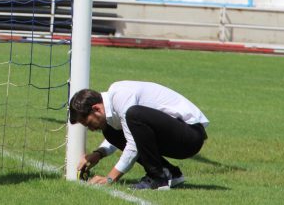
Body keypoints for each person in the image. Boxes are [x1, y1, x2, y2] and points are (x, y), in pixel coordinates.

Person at [69, 81, 209, 190]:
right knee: (110, 131)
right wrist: (99, 153)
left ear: (96, 109)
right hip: (178, 135)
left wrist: (110, 178)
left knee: (134, 115)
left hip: (191, 136)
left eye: (87, 123)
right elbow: (128, 134)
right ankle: (169, 172)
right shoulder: (112, 102)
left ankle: (158, 178)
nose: (90, 129)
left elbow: (133, 145)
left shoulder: (121, 96)